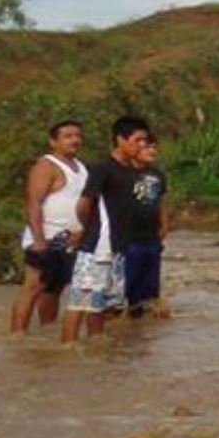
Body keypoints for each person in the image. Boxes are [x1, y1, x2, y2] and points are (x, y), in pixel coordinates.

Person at [64, 116, 153, 343]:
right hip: (97, 247)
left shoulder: (133, 172)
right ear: (120, 140)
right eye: (137, 140)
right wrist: (86, 230)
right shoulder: (102, 168)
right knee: (79, 303)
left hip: (119, 248)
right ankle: (67, 351)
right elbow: (84, 204)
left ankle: (96, 347)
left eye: (145, 140)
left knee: (100, 305)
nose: (142, 145)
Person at [10, 119, 85, 335]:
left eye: (78, 136)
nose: (75, 140)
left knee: (55, 289)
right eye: (68, 136)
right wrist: (39, 240)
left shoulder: (80, 167)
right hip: (46, 237)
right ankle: (17, 337)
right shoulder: (46, 166)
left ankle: (45, 332)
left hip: (70, 239)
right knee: (33, 288)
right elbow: (33, 203)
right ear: (53, 142)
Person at [124, 134, 171, 318]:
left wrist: (165, 224)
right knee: (129, 280)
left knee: (151, 283)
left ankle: (144, 321)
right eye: (146, 147)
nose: (152, 151)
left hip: (152, 236)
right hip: (129, 237)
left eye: (154, 147)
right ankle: (127, 314)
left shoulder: (157, 174)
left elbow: (161, 201)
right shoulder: (124, 173)